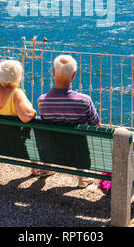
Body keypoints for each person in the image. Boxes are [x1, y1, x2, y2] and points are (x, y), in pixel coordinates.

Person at [37, 54, 101, 187]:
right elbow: (97, 127)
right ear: (74, 75)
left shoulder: (42, 101)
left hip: (52, 152)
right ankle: (83, 177)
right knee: (79, 141)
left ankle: (46, 167)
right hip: (78, 155)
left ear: (53, 72)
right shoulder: (84, 100)